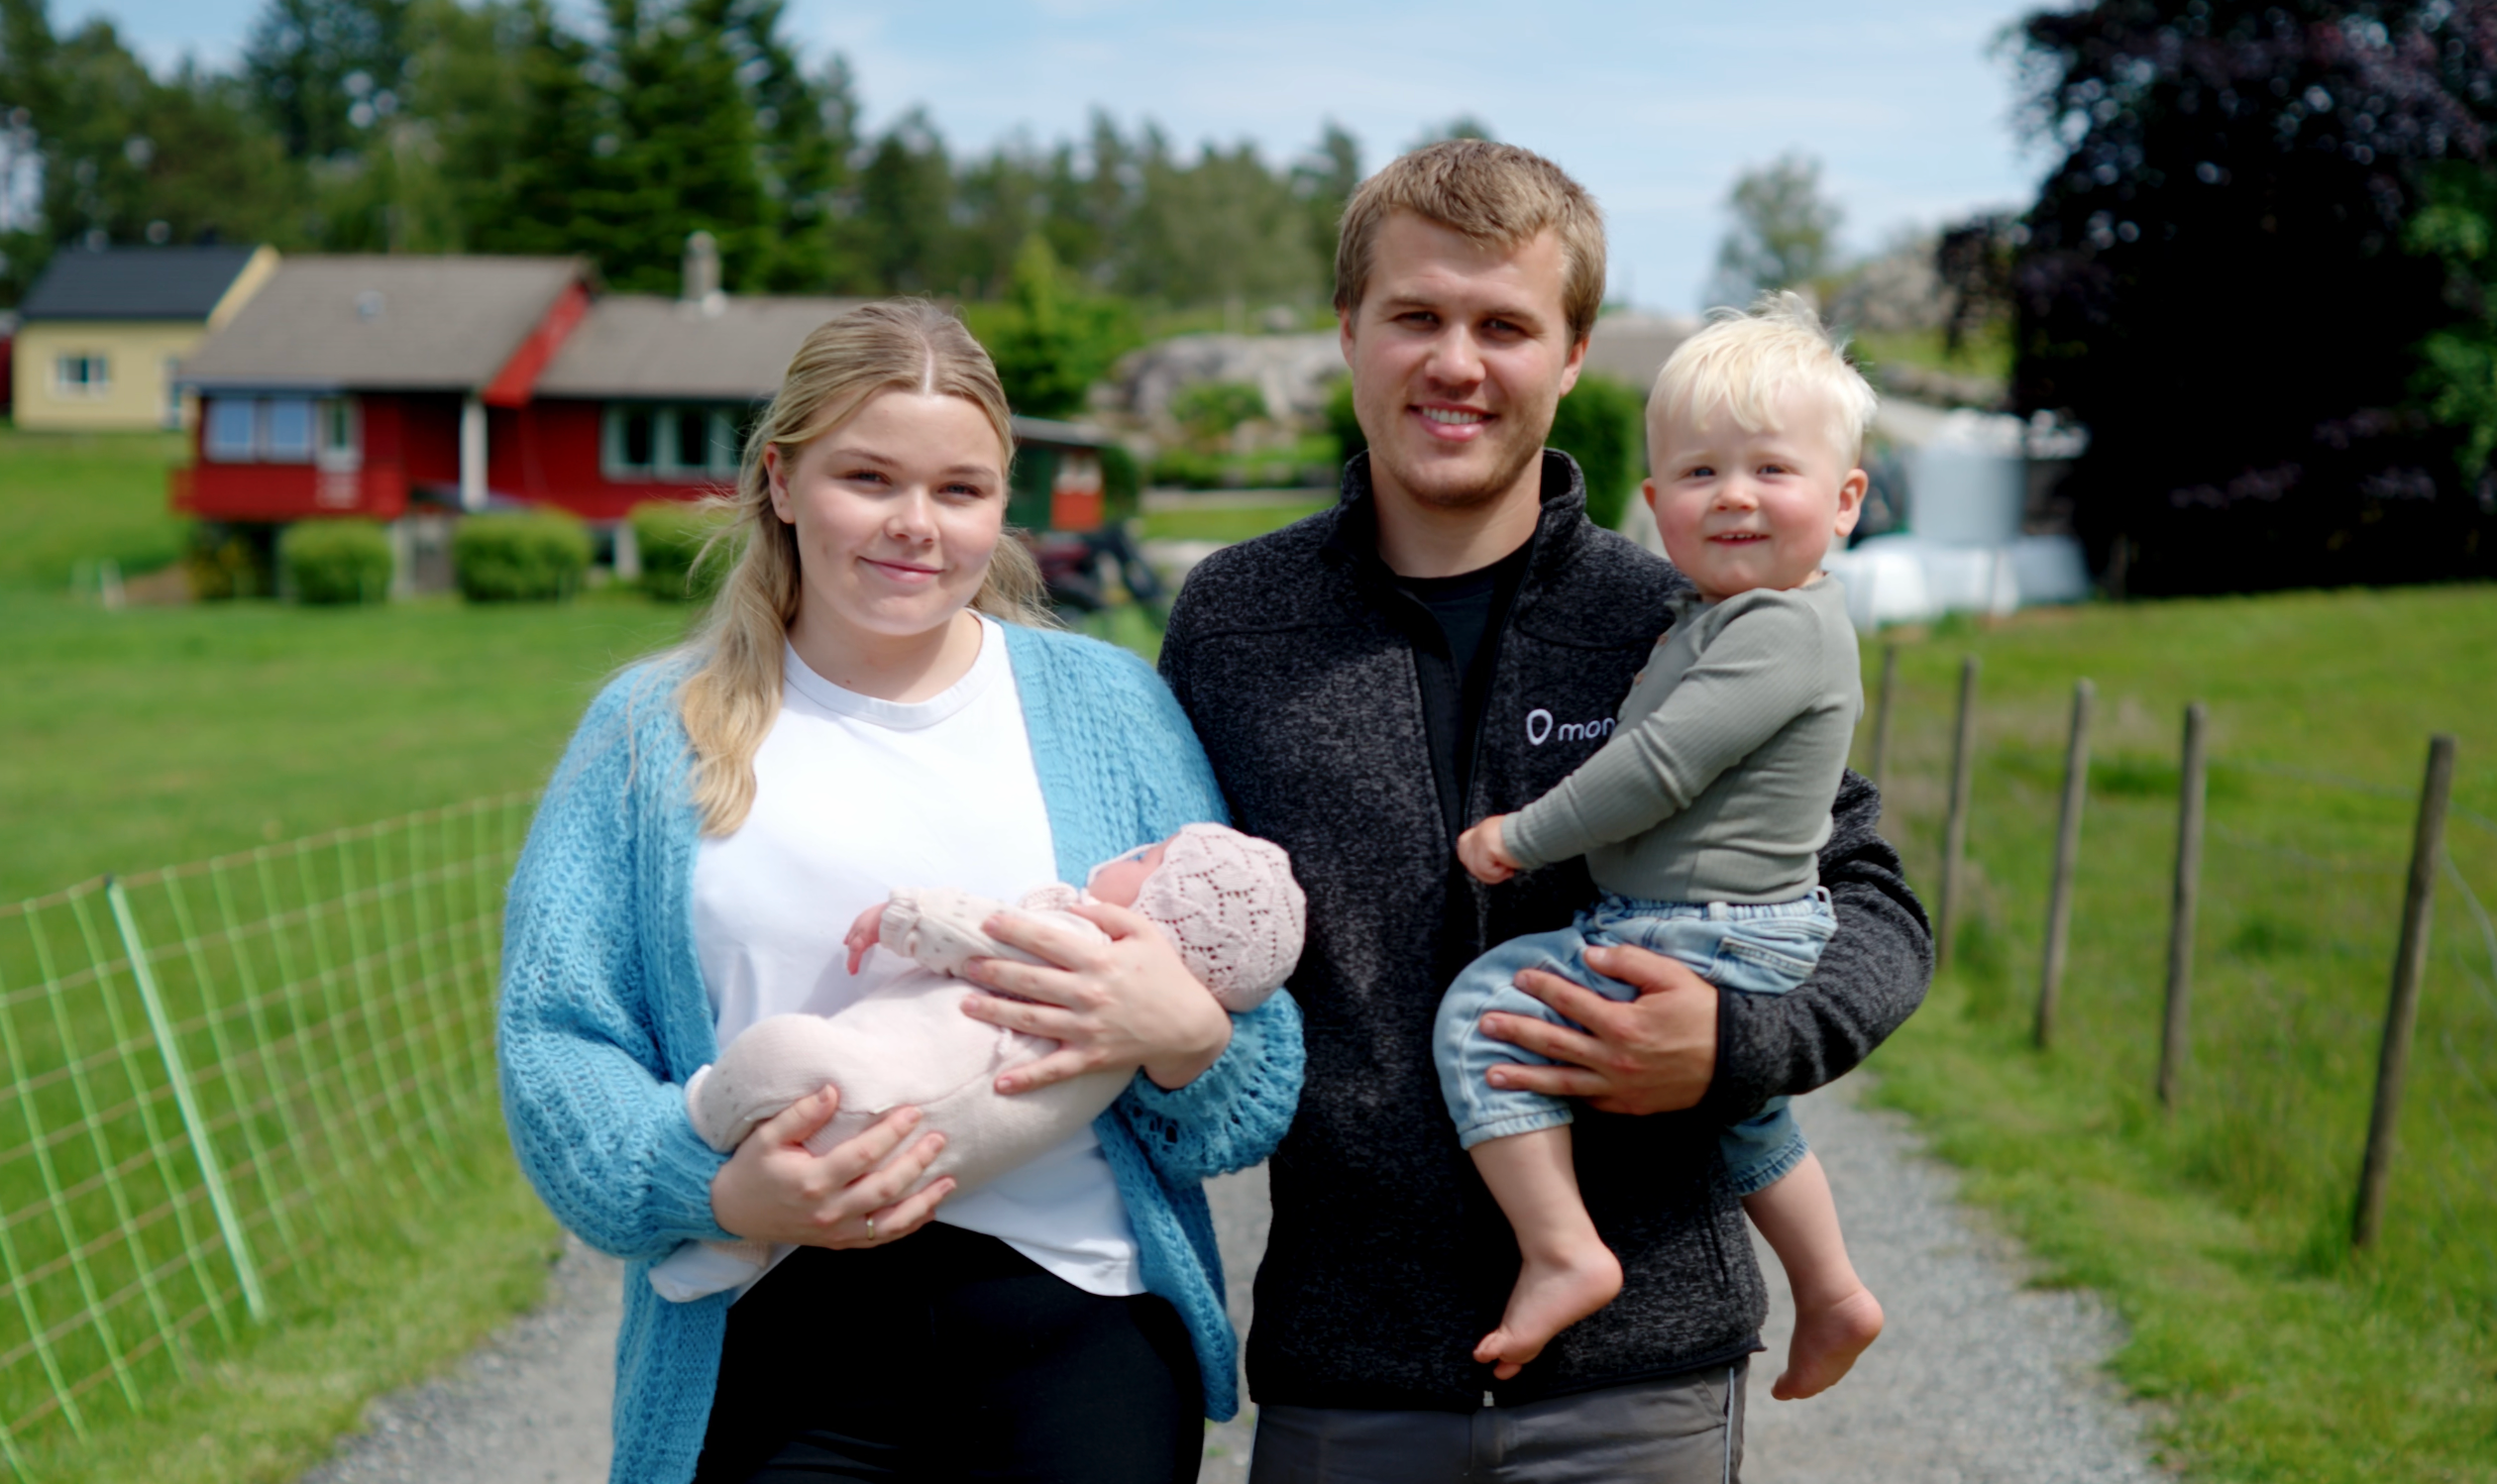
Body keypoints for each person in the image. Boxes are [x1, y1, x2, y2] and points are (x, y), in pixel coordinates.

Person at [1155, 140, 1932, 1482]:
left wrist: (1737, 1038)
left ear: (1571, 354)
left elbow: (1868, 897)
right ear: (1348, 330)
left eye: (1504, 325)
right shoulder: (1236, 622)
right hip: (1352, 1370)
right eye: (1415, 315)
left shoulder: (1681, 611)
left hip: (1641, 1376)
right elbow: (1156, 909)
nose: (1455, 363)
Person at [496, 299, 1303, 1484]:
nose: (914, 525)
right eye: (867, 477)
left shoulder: (1109, 708)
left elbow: (1246, 1065)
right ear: (781, 480)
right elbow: (556, 1040)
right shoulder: (648, 730)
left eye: (959, 489)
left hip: (1080, 1334)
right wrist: (717, 1188)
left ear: (1002, 503)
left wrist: (1185, 1039)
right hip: (774, 1342)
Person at [1442, 293, 1886, 1394]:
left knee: (1483, 1010)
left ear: (1845, 500)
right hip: (1724, 925)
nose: (1732, 494)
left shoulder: (1778, 628)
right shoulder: (1720, 618)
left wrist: (1521, 836)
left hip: (1700, 928)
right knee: (1745, 1118)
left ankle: (1563, 1249)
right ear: (1655, 503)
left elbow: (1654, 770)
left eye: (1770, 469)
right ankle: (1832, 1290)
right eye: (1698, 472)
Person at [650, 823, 1305, 1303]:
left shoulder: (1082, 947)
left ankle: (705, 1124)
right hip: (920, 1167)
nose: (1131, 849)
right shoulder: (1121, 1055)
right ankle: (734, 1230)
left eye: (1147, 859)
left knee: (775, 1053)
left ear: (1157, 914)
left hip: (852, 1093)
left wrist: (902, 917)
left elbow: (982, 932)